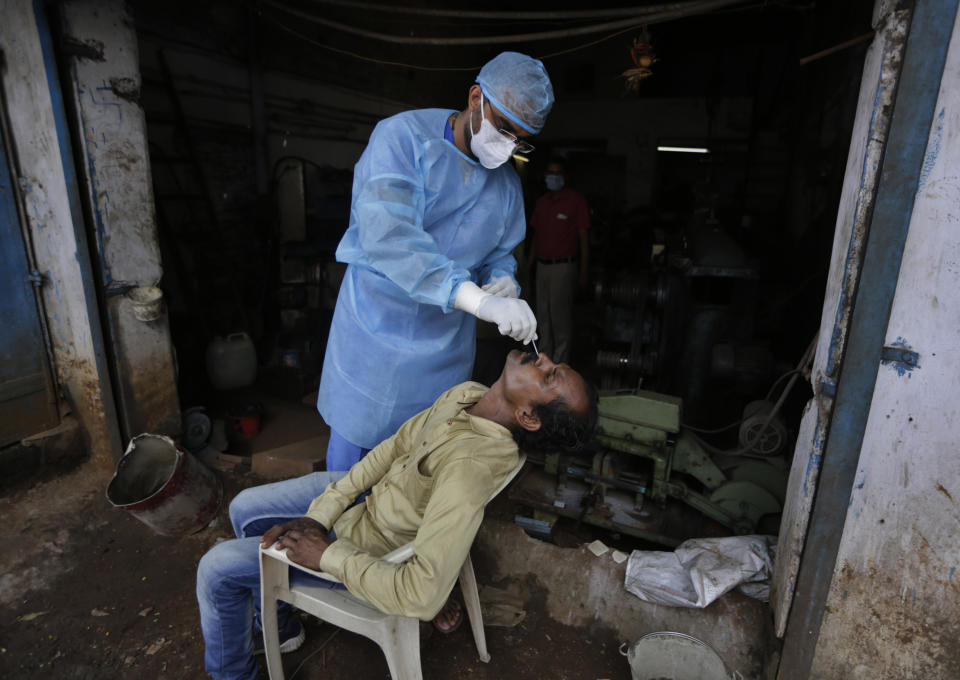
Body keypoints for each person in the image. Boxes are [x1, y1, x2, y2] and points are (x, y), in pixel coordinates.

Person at [197, 349, 598, 680]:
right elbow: (394, 448)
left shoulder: (469, 470)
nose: (542, 358)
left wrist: (326, 554)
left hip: (366, 545)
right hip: (369, 501)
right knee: (242, 508)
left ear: (528, 416)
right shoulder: (469, 394)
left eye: (549, 376)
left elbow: (423, 595)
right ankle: (281, 623)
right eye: (553, 363)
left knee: (215, 571)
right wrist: (323, 512)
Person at [317, 51, 555, 471]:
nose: (509, 147)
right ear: (475, 96)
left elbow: (501, 253)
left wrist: (503, 282)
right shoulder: (402, 140)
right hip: (375, 332)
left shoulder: (506, 188)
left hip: (442, 350)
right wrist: (478, 302)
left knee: (417, 464)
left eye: (521, 140)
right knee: (351, 471)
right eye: (504, 129)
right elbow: (391, 239)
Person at [527, 158, 591, 365]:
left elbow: (584, 239)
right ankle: (544, 363)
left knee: (560, 318)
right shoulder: (542, 203)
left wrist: (583, 272)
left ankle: (561, 366)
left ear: (564, 177)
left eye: (557, 173)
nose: (553, 177)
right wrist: (529, 265)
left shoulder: (575, 202)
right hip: (542, 267)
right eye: (550, 173)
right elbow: (536, 236)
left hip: (563, 268)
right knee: (543, 317)